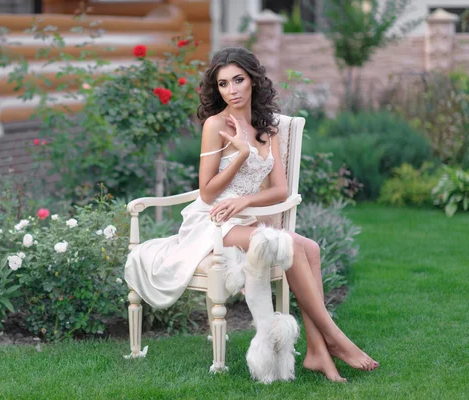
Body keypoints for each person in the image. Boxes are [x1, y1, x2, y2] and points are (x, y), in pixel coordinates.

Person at [125, 47, 378, 382]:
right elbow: (207, 191)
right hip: (214, 219)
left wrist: (245, 203)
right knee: (288, 242)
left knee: (311, 249)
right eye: (223, 84)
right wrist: (242, 153)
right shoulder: (216, 125)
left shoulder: (267, 128)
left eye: (238, 80)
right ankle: (337, 339)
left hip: (244, 216)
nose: (232, 89)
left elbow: (280, 191)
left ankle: (317, 351)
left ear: (253, 81)